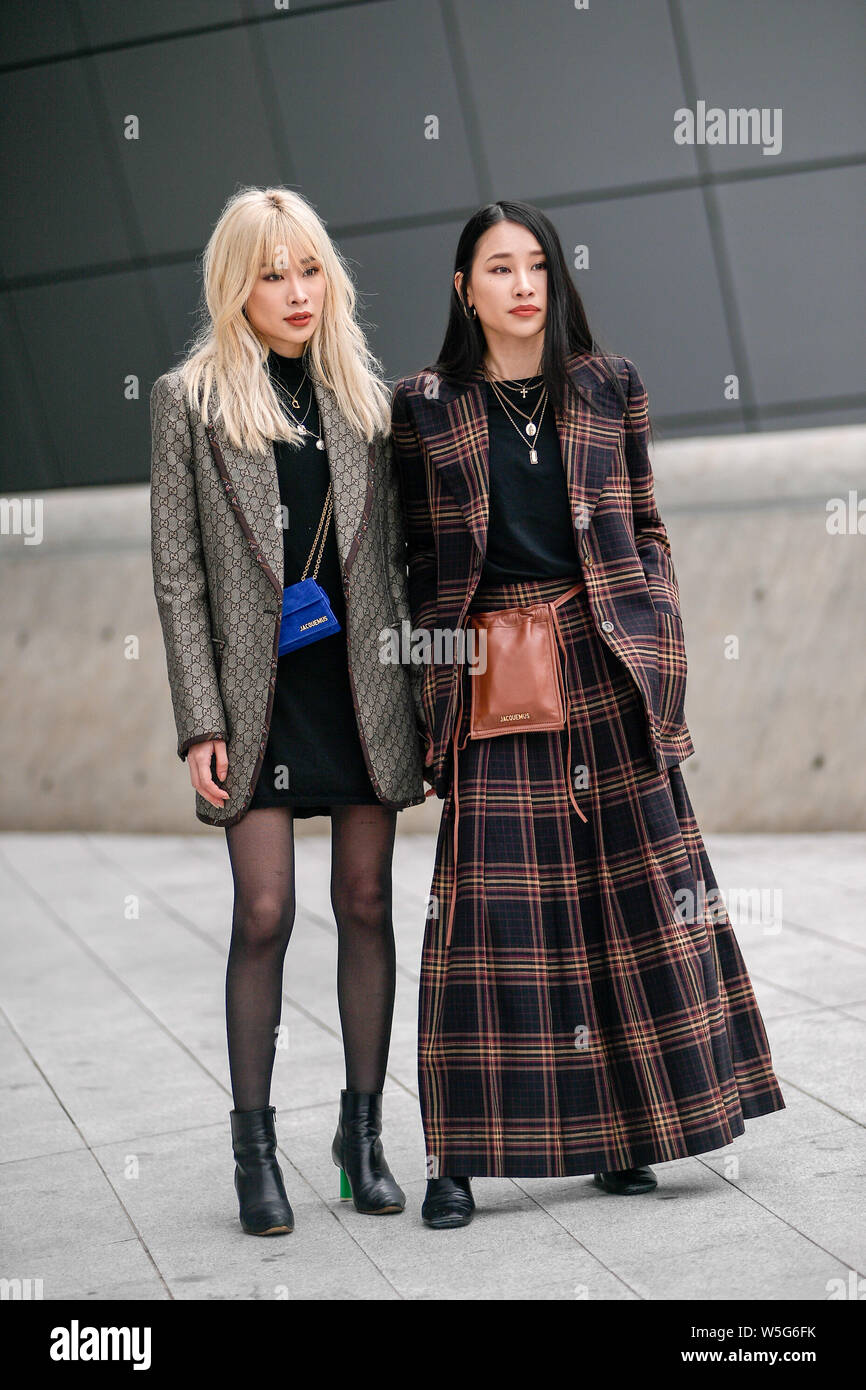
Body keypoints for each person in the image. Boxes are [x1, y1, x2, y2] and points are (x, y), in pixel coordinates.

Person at [390, 200, 786, 1230]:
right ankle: (456, 1156)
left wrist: (655, 619)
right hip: (496, 673)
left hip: (606, 664)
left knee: (637, 900)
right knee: (484, 918)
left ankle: (628, 1135)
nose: (522, 285)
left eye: (536, 266)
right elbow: (416, 563)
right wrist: (437, 692)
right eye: (497, 269)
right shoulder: (423, 406)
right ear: (461, 289)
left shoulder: (607, 385)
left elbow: (643, 521)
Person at [149, 186, 428, 1235]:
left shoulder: (365, 397)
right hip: (257, 698)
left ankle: (361, 1139)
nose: (295, 291)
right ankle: (251, 1149)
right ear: (237, 286)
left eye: (307, 267)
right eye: (271, 273)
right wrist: (199, 719)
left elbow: (401, 559)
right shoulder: (189, 402)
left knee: (364, 902)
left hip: (357, 693)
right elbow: (179, 579)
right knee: (262, 912)